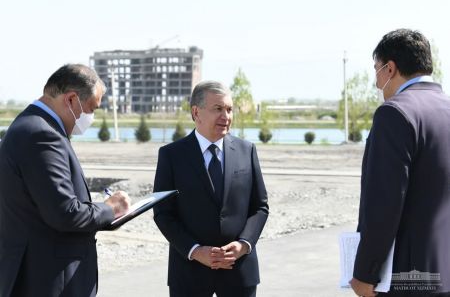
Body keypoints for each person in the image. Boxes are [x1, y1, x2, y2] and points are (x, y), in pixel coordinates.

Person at [0, 64, 131, 297]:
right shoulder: (42, 134)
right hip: (49, 280)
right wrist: (111, 208)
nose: (90, 118)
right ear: (71, 100)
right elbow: (64, 213)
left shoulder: (33, 126)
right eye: (91, 109)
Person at [350, 29, 450, 297]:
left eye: (376, 70)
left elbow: (384, 203)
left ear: (390, 68)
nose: (375, 82)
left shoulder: (395, 113)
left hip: (407, 277)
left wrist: (364, 273)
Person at [153, 80, 269, 297]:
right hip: (189, 273)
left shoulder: (247, 151)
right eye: (218, 109)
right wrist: (195, 251)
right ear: (196, 112)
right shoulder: (171, 155)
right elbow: (163, 214)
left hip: (239, 271)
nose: (226, 116)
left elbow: (260, 207)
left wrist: (243, 244)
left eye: (229, 109)